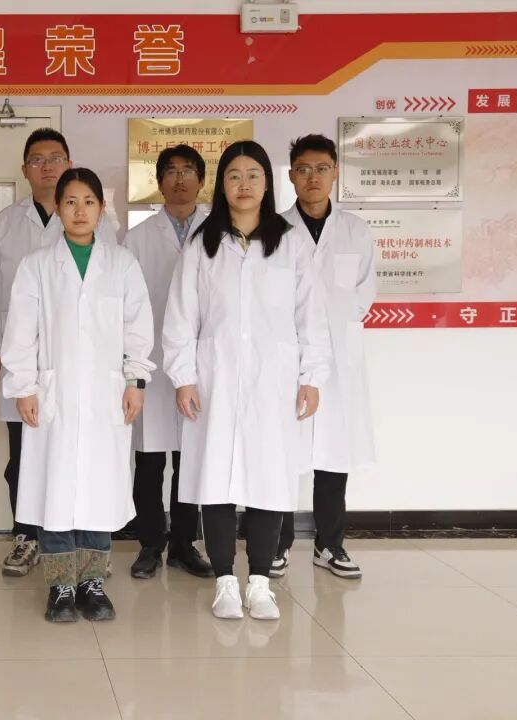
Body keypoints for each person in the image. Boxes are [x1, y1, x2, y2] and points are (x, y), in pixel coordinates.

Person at [162, 140, 331, 621]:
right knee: (215, 479)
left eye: (253, 175)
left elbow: (311, 316)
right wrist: (183, 377)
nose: (244, 184)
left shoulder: (290, 243)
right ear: (222, 185)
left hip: (272, 381)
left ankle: (260, 583)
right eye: (234, 175)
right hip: (213, 380)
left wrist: (311, 376)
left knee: (268, 479)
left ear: (267, 183)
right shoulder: (202, 243)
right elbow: (181, 315)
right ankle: (224, 583)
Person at [2, 168, 155, 622]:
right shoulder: (36, 266)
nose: (80, 210)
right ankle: (60, 586)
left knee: (98, 489)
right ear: (57, 208)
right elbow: (21, 333)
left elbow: (137, 328)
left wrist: (136, 380)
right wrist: (24, 387)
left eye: (89, 201)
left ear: (102, 208)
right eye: (70, 201)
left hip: (108, 396)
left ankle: (93, 582)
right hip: (53, 396)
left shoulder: (122, 264)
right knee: (54, 490)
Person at [0, 128, 118, 576]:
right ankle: (28, 538)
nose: (47, 166)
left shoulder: (107, 232)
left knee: (84, 462)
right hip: (28, 366)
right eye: (38, 160)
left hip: (90, 369)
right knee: (27, 458)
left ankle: (87, 553)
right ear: (25, 169)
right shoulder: (6, 223)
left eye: (55, 158)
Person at [273, 134, 377, 580]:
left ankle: (329, 545)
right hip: (285, 357)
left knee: (334, 455)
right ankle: (276, 545)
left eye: (321, 168)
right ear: (291, 176)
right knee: (281, 452)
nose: (312, 177)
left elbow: (363, 294)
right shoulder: (274, 230)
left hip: (338, 360)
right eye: (303, 169)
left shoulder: (356, 230)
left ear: (335, 171)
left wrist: (330, 328)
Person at [124, 144, 213, 580]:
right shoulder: (137, 238)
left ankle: (182, 544)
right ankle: (149, 544)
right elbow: (126, 306)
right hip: (152, 362)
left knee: (190, 458)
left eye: (188, 171)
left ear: (202, 181)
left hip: (202, 363)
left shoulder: (220, 231)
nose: (180, 179)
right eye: (171, 172)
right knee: (150, 460)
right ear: (158, 183)